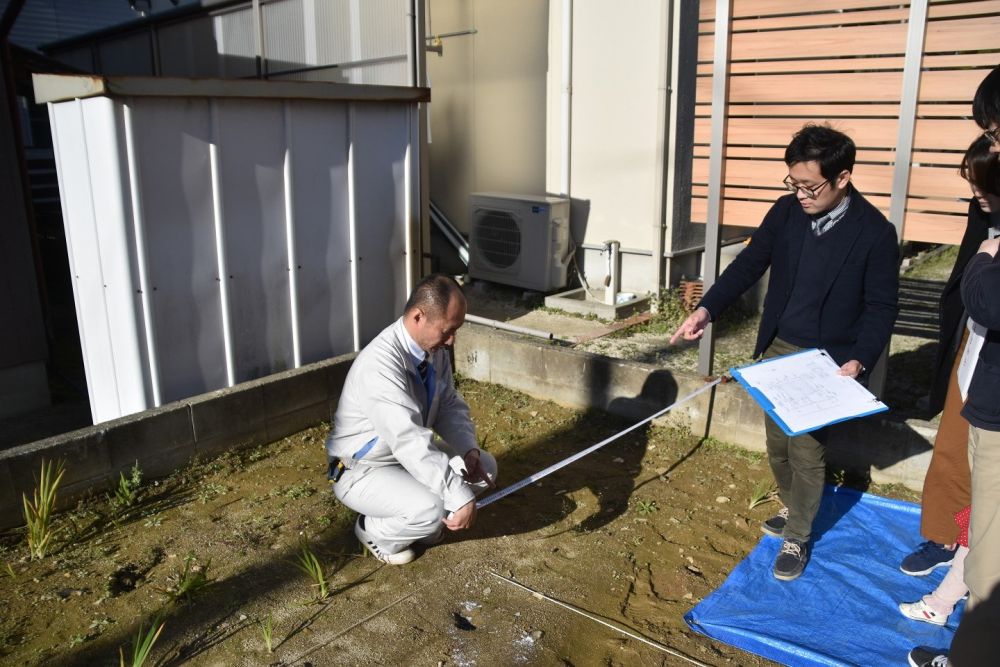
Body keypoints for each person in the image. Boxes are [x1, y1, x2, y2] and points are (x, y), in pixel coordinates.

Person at [671, 123, 899, 581]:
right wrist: (707, 310)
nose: (800, 194)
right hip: (779, 347)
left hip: (829, 360)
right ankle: (797, 508)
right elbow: (749, 265)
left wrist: (861, 358)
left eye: (810, 186)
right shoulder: (786, 212)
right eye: (793, 183)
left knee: (808, 452)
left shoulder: (874, 232)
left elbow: (881, 307)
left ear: (843, 178)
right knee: (777, 445)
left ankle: (797, 534)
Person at [908, 63, 1000, 667]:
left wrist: (982, 268)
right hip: (977, 370)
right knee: (961, 470)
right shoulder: (987, 216)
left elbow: (987, 292)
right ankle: (950, 559)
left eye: (993, 136)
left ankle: (968, 640)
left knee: (993, 553)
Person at [325, 274, 497, 565]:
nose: (452, 340)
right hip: (362, 469)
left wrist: (468, 449)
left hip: (402, 458)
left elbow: (448, 405)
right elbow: (409, 439)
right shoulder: (380, 366)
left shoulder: (433, 349)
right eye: (448, 330)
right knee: (431, 508)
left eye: (456, 330)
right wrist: (459, 497)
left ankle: (421, 518)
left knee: (486, 470)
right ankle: (375, 531)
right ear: (419, 316)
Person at [901, 135, 1000, 577]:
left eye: (982, 183)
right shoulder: (984, 217)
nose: (976, 193)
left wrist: (982, 266)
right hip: (976, 346)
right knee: (955, 446)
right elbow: (970, 285)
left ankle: (971, 551)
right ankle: (947, 535)